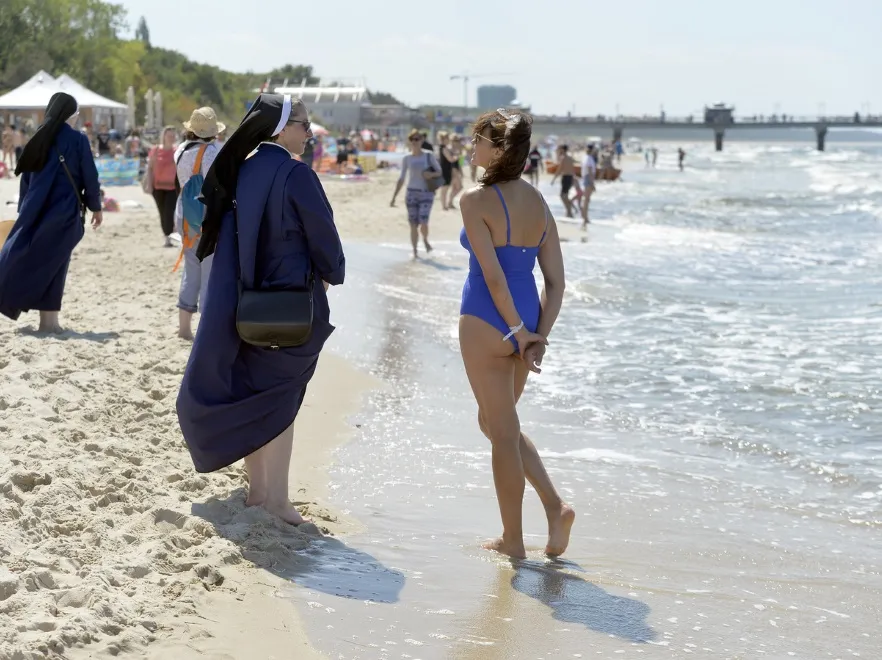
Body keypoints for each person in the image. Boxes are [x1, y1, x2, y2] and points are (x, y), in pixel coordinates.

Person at [176, 93, 345, 525]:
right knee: (281, 401)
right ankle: (279, 501)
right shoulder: (296, 174)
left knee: (256, 394)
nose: (308, 132)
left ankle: (258, 494)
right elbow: (323, 238)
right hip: (290, 305)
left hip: (245, 304)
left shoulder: (241, 170)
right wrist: (331, 272)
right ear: (280, 128)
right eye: (303, 124)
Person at [458, 108, 574, 559]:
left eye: (479, 141)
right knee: (495, 422)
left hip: (489, 319)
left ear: (499, 150)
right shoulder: (540, 205)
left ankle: (514, 540)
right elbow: (557, 282)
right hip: (526, 319)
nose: (473, 148)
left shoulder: (474, 200)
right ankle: (554, 506)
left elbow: (492, 277)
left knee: (502, 433)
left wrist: (518, 331)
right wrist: (536, 335)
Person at [0, 93, 102, 332]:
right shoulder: (77, 139)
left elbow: (25, 179)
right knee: (57, 262)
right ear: (72, 115)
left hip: (34, 210)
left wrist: (23, 212)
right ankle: (49, 322)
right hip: (64, 211)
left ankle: (48, 321)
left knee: (42, 260)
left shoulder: (37, 137)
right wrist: (96, 206)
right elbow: (90, 175)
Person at [173, 106, 225, 339]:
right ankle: (206, 331)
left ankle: (184, 329)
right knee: (209, 272)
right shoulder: (212, 152)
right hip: (206, 218)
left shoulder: (181, 150)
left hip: (184, 214)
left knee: (191, 269)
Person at [390, 128, 443, 258]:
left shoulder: (428, 155)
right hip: (411, 193)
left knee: (423, 223)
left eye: (417, 139)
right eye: (412, 139)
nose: (415, 141)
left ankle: (425, 239)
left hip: (426, 193)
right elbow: (402, 178)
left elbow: (439, 172)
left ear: (422, 140)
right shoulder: (407, 158)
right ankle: (415, 252)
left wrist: (430, 174)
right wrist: (394, 197)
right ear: (409, 142)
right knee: (413, 224)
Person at [142, 126, 179, 247]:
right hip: (157, 187)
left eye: (173, 136)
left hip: (173, 187)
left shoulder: (177, 151)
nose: (171, 138)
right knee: (162, 212)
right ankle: (166, 235)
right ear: (163, 137)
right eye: (169, 136)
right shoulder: (156, 150)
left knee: (169, 211)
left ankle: (168, 236)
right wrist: (148, 184)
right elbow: (150, 168)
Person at [549, 144, 576, 218]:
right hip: (570, 178)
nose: (559, 150)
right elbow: (573, 169)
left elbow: (559, 170)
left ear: (563, 150)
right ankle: (569, 212)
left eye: (560, 149)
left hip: (566, 177)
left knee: (562, 196)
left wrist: (553, 179)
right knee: (565, 196)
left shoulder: (563, 158)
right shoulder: (570, 158)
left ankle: (569, 211)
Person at [580, 144, 597, 227]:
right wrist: (593, 183)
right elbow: (590, 172)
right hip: (588, 178)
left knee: (586, 199)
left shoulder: (585, 157)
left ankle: (585, 217)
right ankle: (585, 217)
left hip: (586, 178)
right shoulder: (589, 158)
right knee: (586, 199)